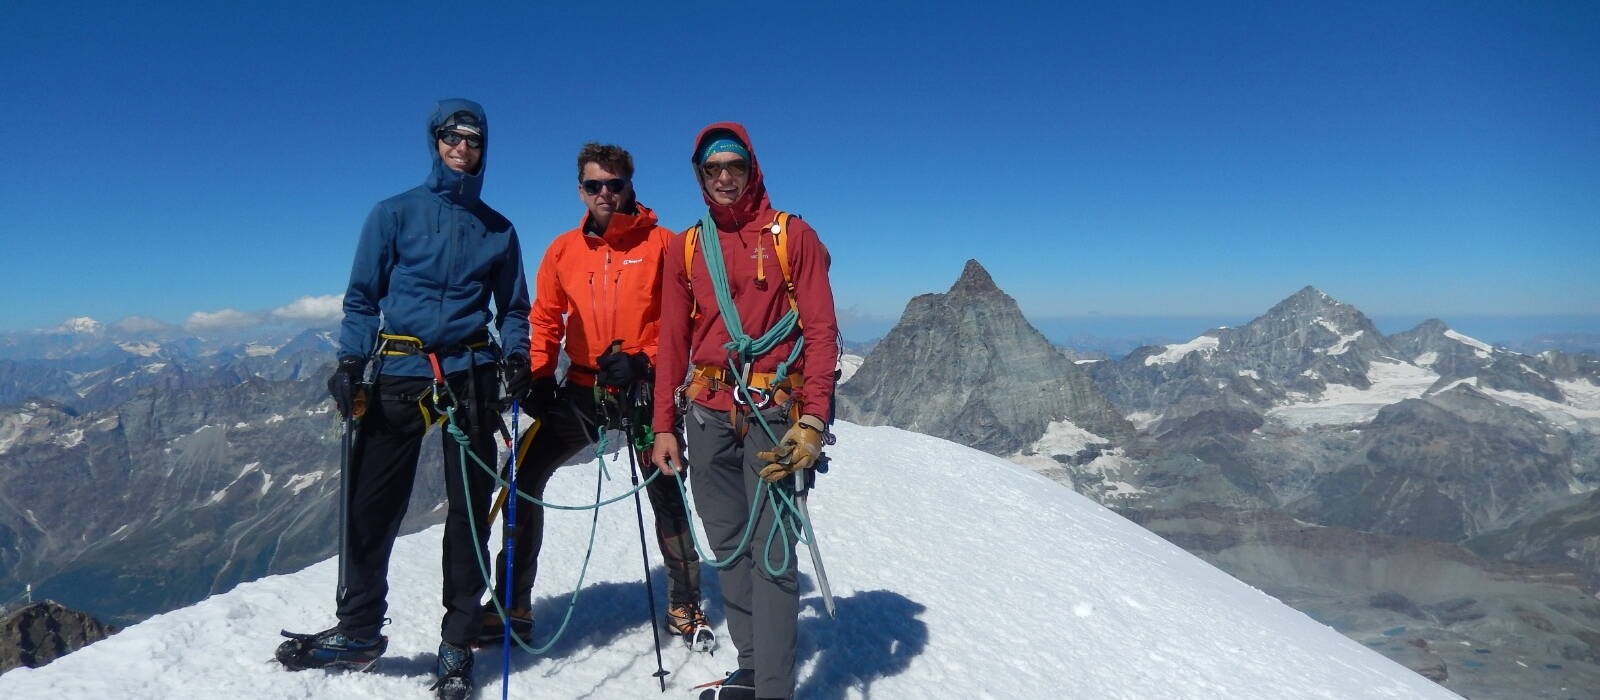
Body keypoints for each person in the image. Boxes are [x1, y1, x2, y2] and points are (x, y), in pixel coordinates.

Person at [275, 98, 531, 700]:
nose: (461, 145)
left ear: (483, 147)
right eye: (451, 134)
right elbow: (362, 297)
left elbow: (513, 307)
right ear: (435, 141)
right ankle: (359, 629)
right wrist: (349, 359)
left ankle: (457, 641)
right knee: (370, 505)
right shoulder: (393, 214)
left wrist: (516, 355)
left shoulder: (499, 229)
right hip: (399, 367)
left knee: (469, 513)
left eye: (472, 137)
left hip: (470, 370)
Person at [481, 142, 712, 650]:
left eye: (614, 184)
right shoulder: (564, 250)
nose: (605, 193)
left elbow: (688, 321)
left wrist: (646, 360)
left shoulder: (665, 244)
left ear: (631, 185)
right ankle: (512, 604)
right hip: (583, 386)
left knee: (666, 490)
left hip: (644, 390)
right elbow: (545, 317)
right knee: (522, 480)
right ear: (580, 190)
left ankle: (686, 602)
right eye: (594, 186)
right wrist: (539, 374)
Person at [650, 123, 839, 700]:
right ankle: (752, 667)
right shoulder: (686, 246)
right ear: (700, 176)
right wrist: (662, 424)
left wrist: (814, 418)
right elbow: (672, 342)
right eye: (713, 170)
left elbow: (822, 329)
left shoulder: (791, 235)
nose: (724, 177)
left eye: (733, 166)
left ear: (751, 168)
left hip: (773, 416)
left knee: (774, 556)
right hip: (705, 414)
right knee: (730, 548)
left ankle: (774, 688)